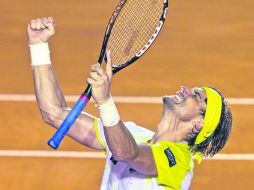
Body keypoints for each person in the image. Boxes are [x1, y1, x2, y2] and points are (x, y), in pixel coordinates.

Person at [27, 17, 232, 190]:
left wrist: (105, 101)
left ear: (199, 124)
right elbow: (54, 113)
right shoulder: (131, 134)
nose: (185, 89)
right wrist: (38, 46)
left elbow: (127, 153)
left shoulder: (180, 161)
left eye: (196, 96)